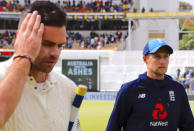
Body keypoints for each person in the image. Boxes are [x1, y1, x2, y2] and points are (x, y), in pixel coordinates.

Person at [0, 1, 81, 130]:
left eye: (60, 45)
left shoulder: (68, 87)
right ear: (21, 37)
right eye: (47, 44)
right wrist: (24, 55)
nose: (55, 53)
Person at [106, 39, 194, 131]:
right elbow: (113, 127)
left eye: (166, 56)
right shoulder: (129, 90)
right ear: (145, 59)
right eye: (157, 57)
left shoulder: (178, 89)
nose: (162, 61)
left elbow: (188, 127)